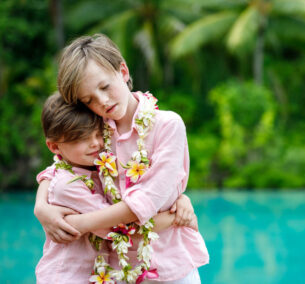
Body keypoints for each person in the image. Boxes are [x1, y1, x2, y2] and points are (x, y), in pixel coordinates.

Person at [34, 34, 209, 283]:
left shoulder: (167, 126)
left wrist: (81, 223)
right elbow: (60, 166)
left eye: (105, 87)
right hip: (116, 271)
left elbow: (146, 200)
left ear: (123, 71)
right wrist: (41, 207)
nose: (102, 102)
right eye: (89, 100)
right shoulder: (96, 130)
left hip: (170, 267)